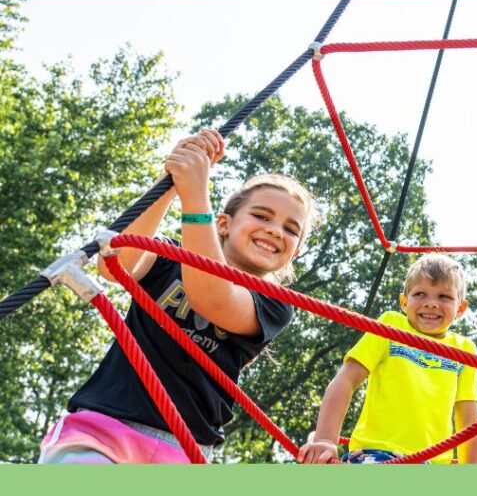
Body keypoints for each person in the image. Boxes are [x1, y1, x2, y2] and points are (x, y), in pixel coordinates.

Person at [38, 129, 318, 463]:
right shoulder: (170, 256)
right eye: (261, 216)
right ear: (224, 224)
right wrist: (169, 182)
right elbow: (115, 264)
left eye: (291, 229)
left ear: (296, 252)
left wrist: (196, 196)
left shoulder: (274, 302)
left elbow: (212, 300)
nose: (275, 230)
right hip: (105, 426)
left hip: (185, 448)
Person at [298, 254, 477, 465]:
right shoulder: (391, 327)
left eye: (444, 297)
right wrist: (325, 439)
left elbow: (469, 417)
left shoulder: (464, 350)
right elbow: (346, 379)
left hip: (435, 462)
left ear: (460, 308)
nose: (431, 303)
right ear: (404, 302)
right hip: (379, 453)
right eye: (420, 294)